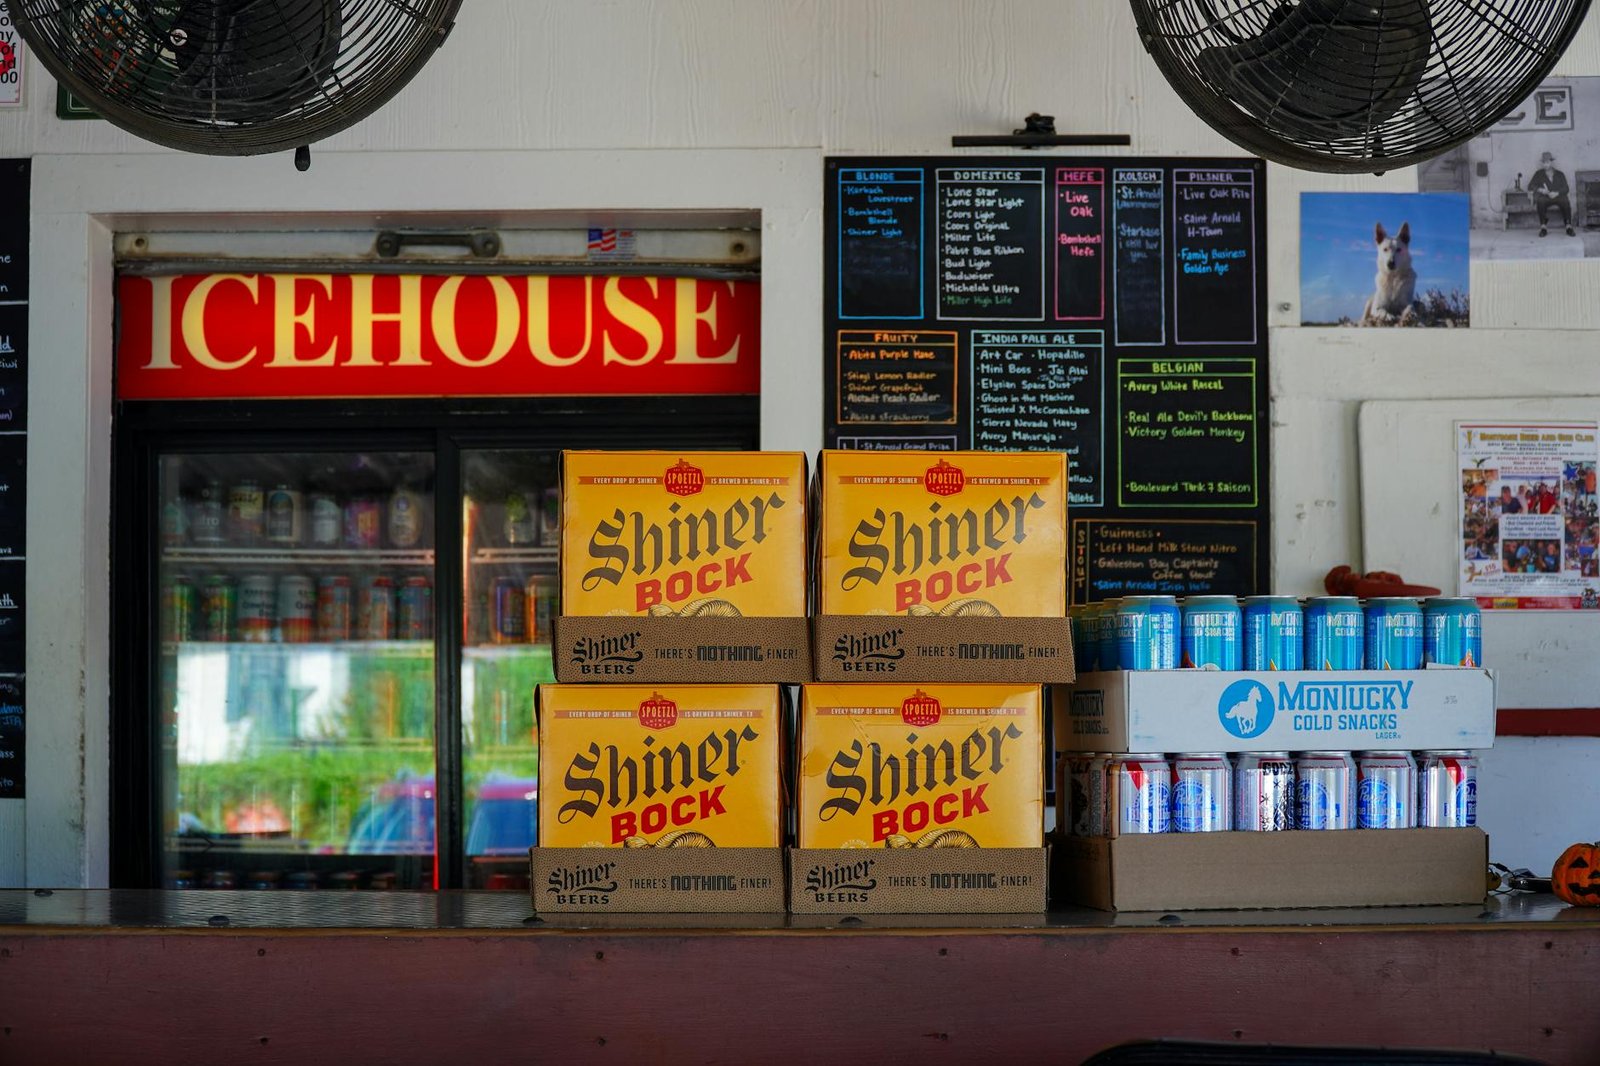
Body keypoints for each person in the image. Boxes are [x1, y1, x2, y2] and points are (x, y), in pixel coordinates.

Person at [1527, 151, 1576, 238]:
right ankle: (1543, 228)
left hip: (1558, 197)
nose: (1545, 165)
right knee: (1540, 200)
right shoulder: (1539, 174)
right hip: (1546, 198)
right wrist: (1540, 190)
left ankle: (1568, 226)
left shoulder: (1560, 174)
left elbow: (1566, 188)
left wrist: (1557, 193)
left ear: (1551, 162)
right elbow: (1530, 186)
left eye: (1547, 162)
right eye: (1544, 163)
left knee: (1565, 200)